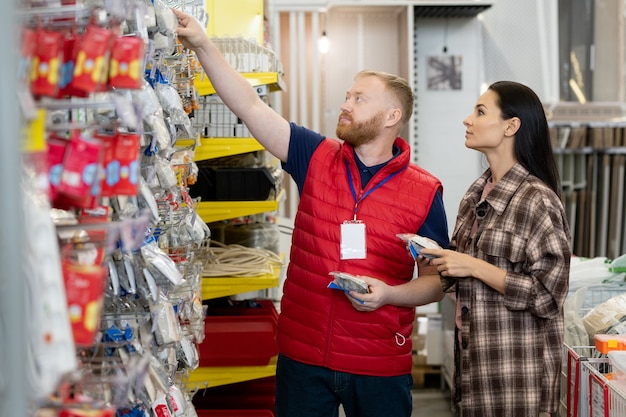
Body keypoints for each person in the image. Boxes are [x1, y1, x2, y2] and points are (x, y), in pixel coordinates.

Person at [173, 9, 450, 417]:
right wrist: (201, 43)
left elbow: (436, 282)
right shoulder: (315, 156)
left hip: (378, 365)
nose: (345, 104)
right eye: (347, 95)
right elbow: (250, 107)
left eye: (359, 99)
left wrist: (389, 295)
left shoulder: (424, 191)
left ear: (392, 117)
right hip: (303, 359)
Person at [419, 81, 571, 417]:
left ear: (511, 126)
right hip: (475, 375)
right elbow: (455, 275)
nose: (467, 120)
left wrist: (473, 266)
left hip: (517, 385)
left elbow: (548, 296)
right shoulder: (476, 195)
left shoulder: (538, 201)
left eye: (480, 111)